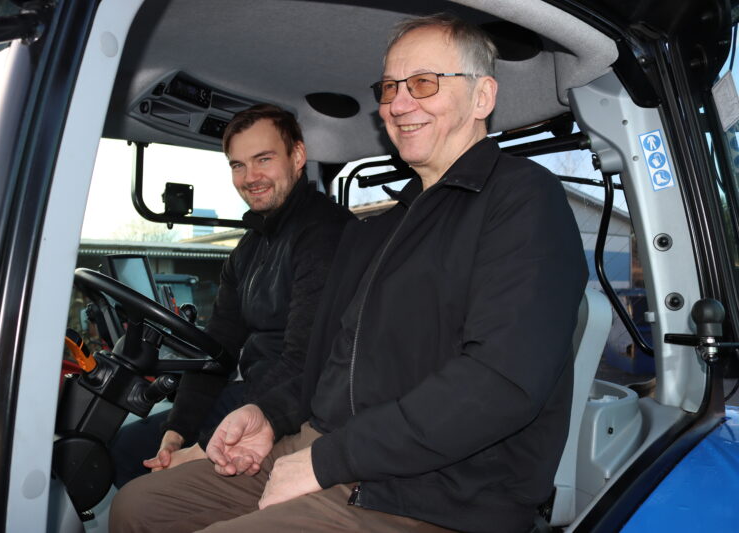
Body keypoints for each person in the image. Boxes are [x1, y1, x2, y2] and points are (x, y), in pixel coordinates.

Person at [110, 13, 587, 533]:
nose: (398, 104)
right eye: (390, 88)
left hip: (438, 487)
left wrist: (326, 462)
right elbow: (324, 359)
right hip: (332, 443)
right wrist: (270, 416)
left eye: (423, 83)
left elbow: (498, 384)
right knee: (137, 508)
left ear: (482, 97)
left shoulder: (522, 200)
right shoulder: (381, 229)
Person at [109, 104, 351, 486]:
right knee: (124, 450)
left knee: (142, 484)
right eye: (238, 165)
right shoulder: (250, 247)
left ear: (297, 156)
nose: (250, 177)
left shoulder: (325, 234)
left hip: (292, 408)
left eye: (264, 159)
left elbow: (305, 362)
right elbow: (216, 347)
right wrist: (177, 432)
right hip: (251, 392)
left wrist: (202, 447)